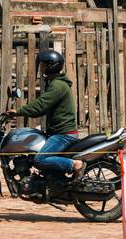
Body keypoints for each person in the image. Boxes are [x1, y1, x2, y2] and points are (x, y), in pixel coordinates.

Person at [14, 48, 83, 183]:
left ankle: (74, 165)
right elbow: (43, 107)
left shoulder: (57, 85)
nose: (42, 68)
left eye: (44, 65)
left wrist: (18, 111)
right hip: (59, 132)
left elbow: (41, 105)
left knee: (39, 159)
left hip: (64, 134)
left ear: (51, 66)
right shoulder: (57, 83)